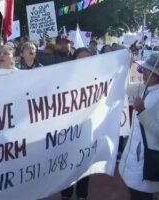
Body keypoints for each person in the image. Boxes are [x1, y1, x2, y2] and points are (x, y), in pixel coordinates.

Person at [119, 53, 159, 200]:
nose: (144, 73)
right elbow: (125, 88)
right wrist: (126, 68)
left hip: (146, 160)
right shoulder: (149, 87)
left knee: (140, 196)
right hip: (136, 157)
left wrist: (142, 111)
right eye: (144, 69)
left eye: (148, 70)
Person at [61, 47, 93, 200]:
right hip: (68, 130)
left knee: (84, 164)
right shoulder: (65, 78)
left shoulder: (99, 77)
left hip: (87, 128)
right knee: (67, 165)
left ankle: (82, 195)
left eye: (89, 58)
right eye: (82, 58)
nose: (85, 61)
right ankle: (66, 195)